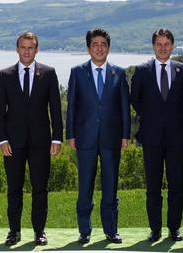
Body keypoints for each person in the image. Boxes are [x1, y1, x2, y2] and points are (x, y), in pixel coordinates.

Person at [0, 31, 63, 246]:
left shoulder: (49, 74)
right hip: (12, 143)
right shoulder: (5, 75)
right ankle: (14, 232)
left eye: (30, 47)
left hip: (41, 142)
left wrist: (57, 138)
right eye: (23, 47)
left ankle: (39, 232)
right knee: (14, 189)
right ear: (17, 49)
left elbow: (56, 109)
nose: (26, 51)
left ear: (36, 49)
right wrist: (2, 139)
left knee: (40, 189)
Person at [66, 28, 130, 244]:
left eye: (103, 44)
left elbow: (124, 107)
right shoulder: (77, 72)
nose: (99, 48)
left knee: (110, 186)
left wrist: (125, 134)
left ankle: (111, 230)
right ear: (88, 48)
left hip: (112, 138)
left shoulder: (119, 74)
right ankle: (84, 230)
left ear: (109, 48)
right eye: (95, 44)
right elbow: (72, 107)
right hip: (84, 137)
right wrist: (70, 135)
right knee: (85, 186)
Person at [130, 29, 183, 242]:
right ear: (153, 46)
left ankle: (174, 229)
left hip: (176, 137)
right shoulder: (141, 71)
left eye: (167, 43)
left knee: (176, 185)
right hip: (151, 137)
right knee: (153, 187)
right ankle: (155, 229)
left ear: (173, 45)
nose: (163, 47)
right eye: (159, 43)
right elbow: (136, 100)